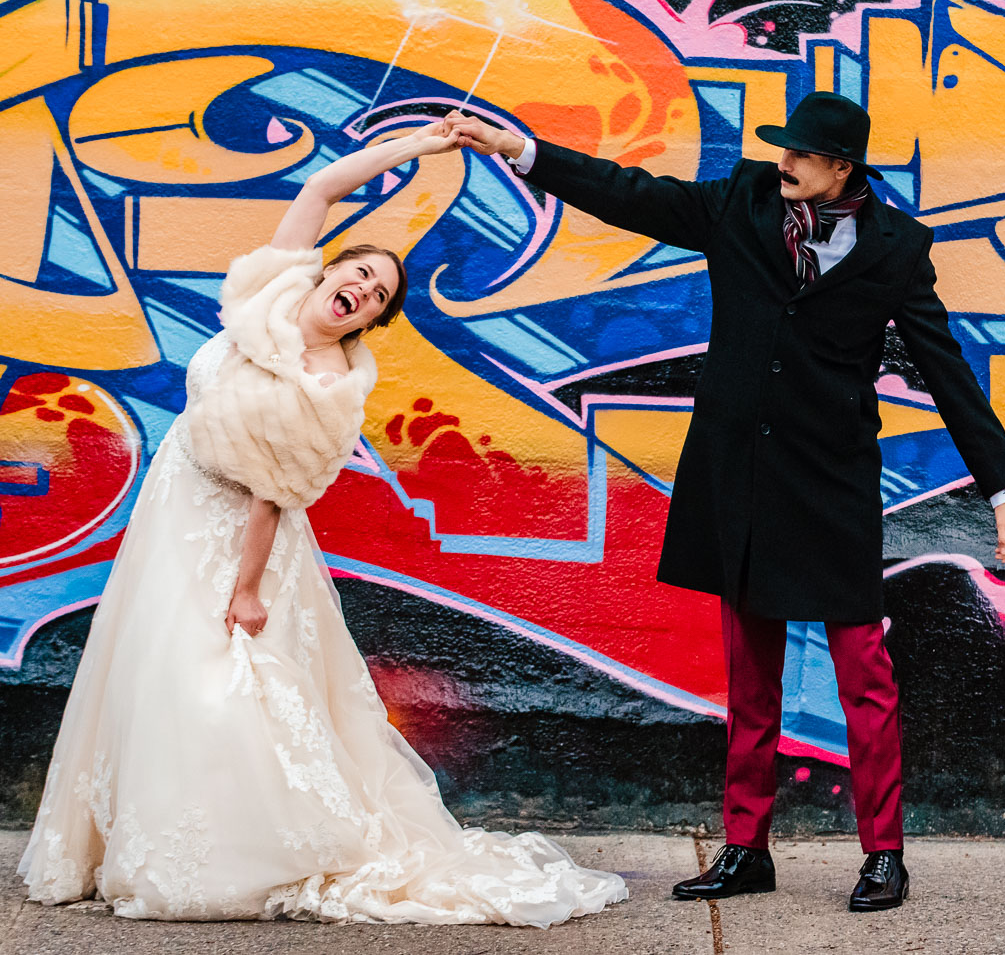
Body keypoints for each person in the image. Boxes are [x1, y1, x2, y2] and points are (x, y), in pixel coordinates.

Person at [19, 119, 627, 926]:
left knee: (215, 685)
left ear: (368, 321)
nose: (365, 293)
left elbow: (276, 493)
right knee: (146, 674)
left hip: (238, 540)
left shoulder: (330, 382)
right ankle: (116, 840)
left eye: (378, 298)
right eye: (362, 276)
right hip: (172, 507)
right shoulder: (267, 292)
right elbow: (320, 188)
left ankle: (227, 851)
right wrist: (425, 144)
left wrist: (245, 590)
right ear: (327, 273)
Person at [446, 92, 1005, 912]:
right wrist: (520, 149)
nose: (782, 162)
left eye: (798, 155)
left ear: (841, 169)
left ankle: (883, 854)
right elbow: (631, 193)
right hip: (742, 479)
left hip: (831, 483)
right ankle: (746, 847)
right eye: (780, 150)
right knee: (749, 675)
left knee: (865, 673)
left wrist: (1002, 486)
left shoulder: (898, 248)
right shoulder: (741, 203)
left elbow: (946, 369)